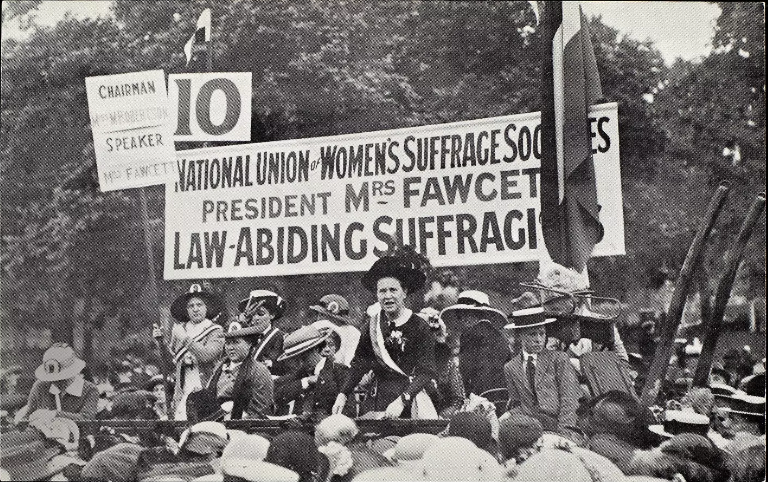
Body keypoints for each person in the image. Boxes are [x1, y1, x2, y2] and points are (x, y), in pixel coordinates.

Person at [332, 247, 437, 419]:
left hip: (409, 400)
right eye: (382, 291)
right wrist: (343, 394)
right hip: (377, 399)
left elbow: (426, 371)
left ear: (405, 293)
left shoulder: (419, 326)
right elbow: (359, 365)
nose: (387, 296)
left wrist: (403, 400)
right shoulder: (371, 325)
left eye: (393, 290)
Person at [502, 299, 581, 438]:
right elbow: (519, 404)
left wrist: (564, 433)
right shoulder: (510, 367)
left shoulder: (559, 359)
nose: (539, 339)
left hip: (559, 424)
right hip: (530, 426)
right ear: (520, 336)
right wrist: (507, 415)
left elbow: (569, 399)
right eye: (532, 334)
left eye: (542, 333)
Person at [154, 283, 225, 420]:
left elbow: (207, 355)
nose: (195, 309)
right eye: (191, 306)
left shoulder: (215, 330)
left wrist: (185, 339)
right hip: (183, 391)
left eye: (199, 305)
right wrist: (161, 342)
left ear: (207, 307)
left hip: (206, 391)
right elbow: (170, 364)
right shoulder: (180, 329)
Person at [188, 319, 275, 420]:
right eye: (228, 343)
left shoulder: (259, 371)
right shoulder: (219, 368)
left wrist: (234, 416)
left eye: (236, 342)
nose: (231, 347)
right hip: (214, 425)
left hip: (244, 429)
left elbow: (261, 412)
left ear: (249, 344)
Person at [441, 290, 510, 397]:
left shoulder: (471, 335)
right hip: (504, 396)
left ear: (480, 313)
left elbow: (466, 372)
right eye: (460, 315)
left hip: (480, 399)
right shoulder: (500, 336)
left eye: (467, 313)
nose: (463, 319)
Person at [274, 325, 349, 420]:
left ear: (316, 350)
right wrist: (306, 381)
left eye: (303, 357)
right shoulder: (301, 374)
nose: (299, 362)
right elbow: (276, 393)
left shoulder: (340, 371)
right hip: (298, 429)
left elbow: (345, 411)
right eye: (296, 358)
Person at [23, 343, 99, 421]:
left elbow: (87, 419)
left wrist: (54, 414)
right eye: (50, 377)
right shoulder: (40, 386)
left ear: (72, 372)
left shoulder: (90, 390)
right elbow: (26, 417)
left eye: (62, 378)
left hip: (78, 433)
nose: (54, 381)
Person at [236, 289, 287, 374]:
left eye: (260, 314)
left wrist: (271, 364)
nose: (255, 318)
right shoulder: (246, 336)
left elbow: (287, 368)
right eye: (252, 314)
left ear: (272, 315)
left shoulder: (281, 338)